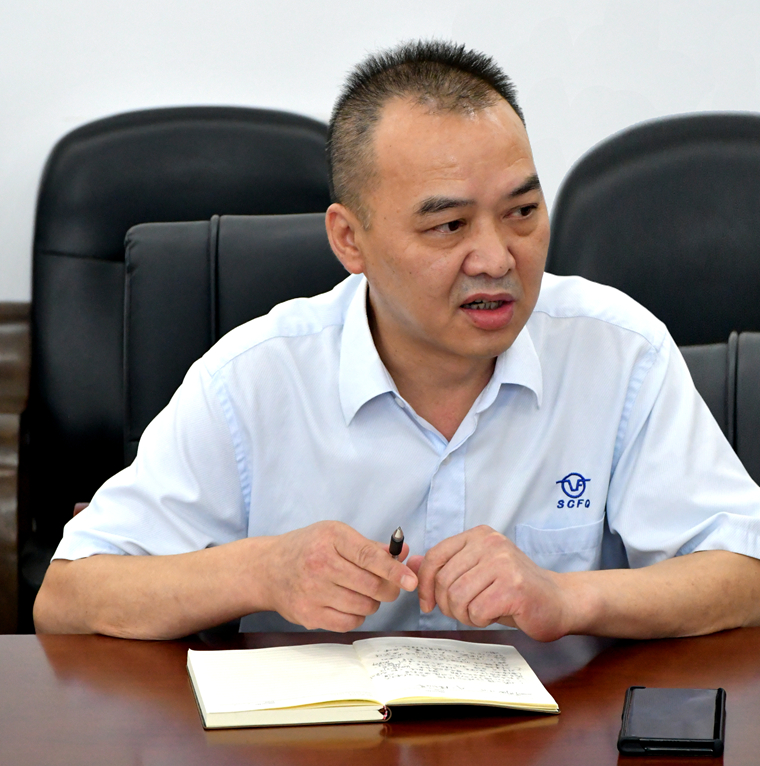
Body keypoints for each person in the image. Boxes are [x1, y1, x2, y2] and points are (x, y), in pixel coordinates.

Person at [34, 40, 760, 640]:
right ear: (350, 239)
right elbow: (66, 598)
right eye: (448, 226)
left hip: (552, 750)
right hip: (314, 755)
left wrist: (568, 597)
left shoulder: (619, 351)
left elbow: (745, 571)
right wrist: (261, 571)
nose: (497, 258)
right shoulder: (253, 379)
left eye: (522, 211)